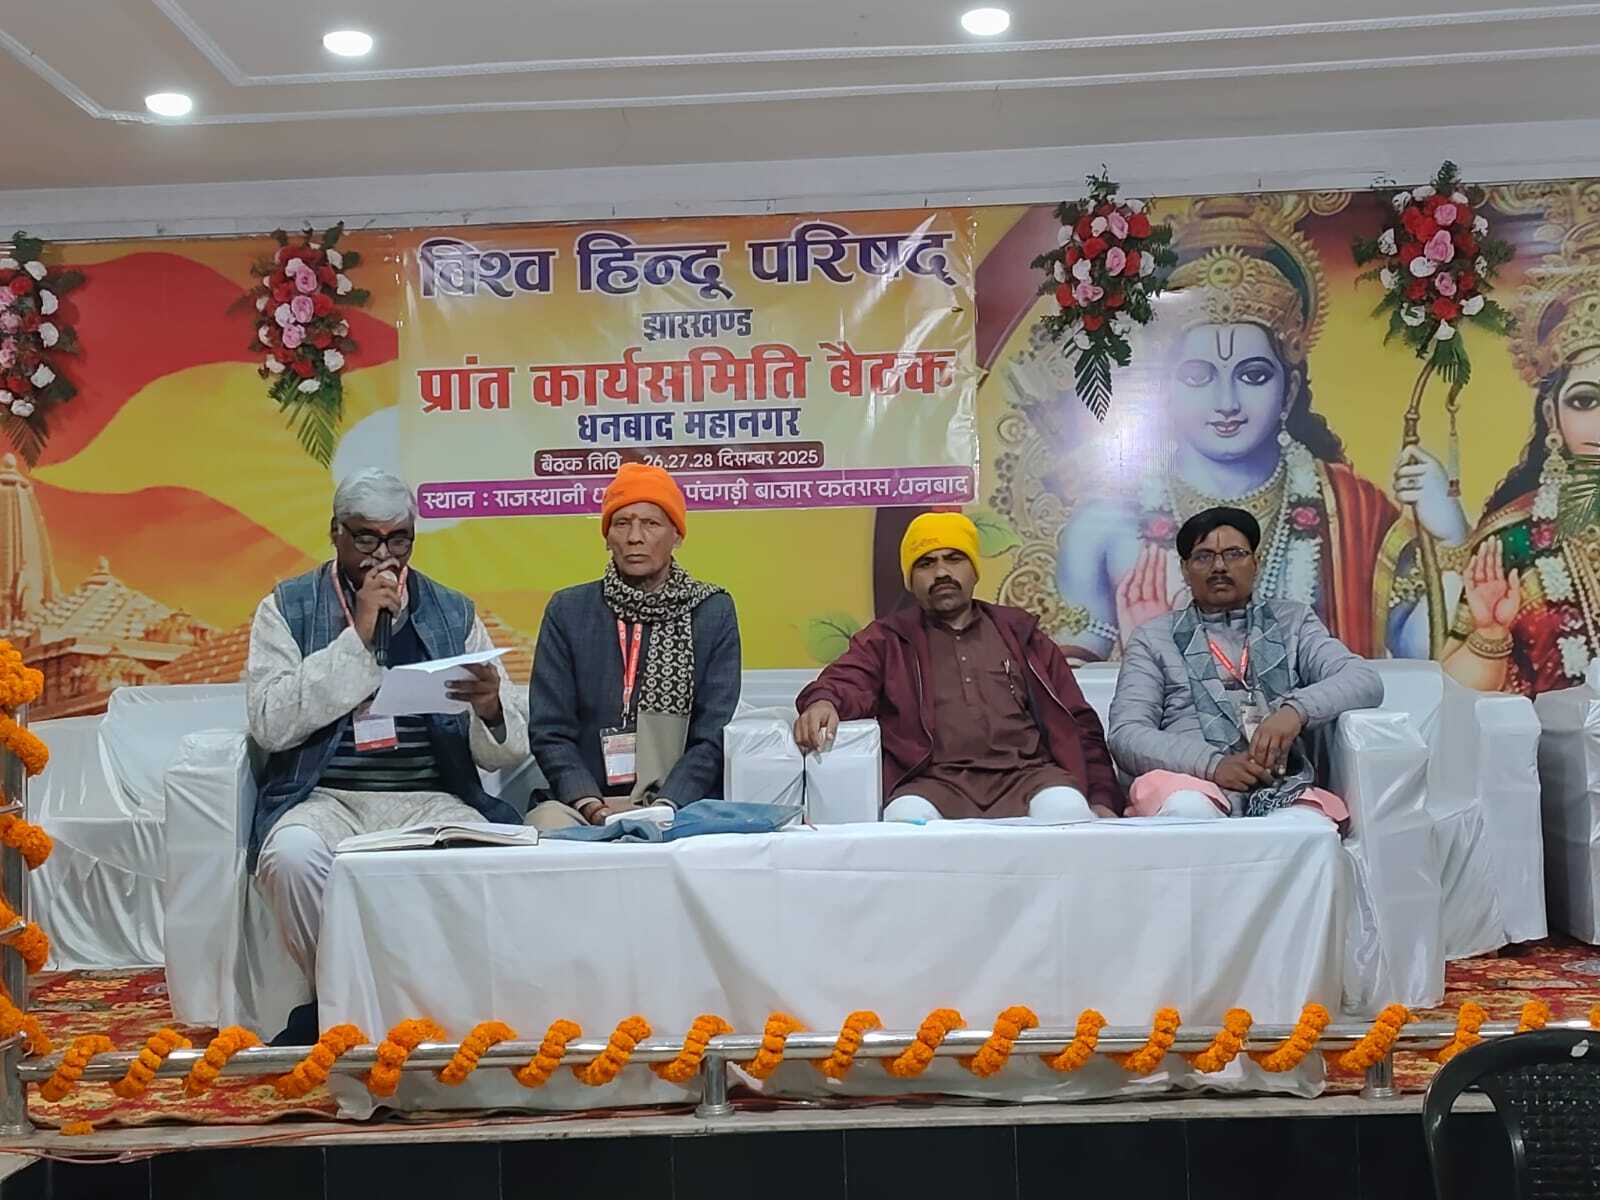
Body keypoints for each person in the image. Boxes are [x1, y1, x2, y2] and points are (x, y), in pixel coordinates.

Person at [1044, 197, 1468, 662]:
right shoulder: (1107, 526)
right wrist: (1150, 650)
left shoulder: (1350, 510)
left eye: (1253, 375)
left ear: (1289, 391)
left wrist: (1449, 537)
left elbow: (1421, 655)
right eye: (1198, 376)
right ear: (1165, 392)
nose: (1226, 402)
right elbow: (1067, 682)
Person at [246, 469, 527, 1043]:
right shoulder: (286, 608)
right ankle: (335, 1003)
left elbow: (505, 752)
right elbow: (271, 722)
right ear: (335, 533)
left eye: (399, 539)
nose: (384, 556)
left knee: (484, 860)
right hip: (326, 797)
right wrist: (360, 635)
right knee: (292, 859)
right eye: (367, 539)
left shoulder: (452, 611)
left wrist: (491, 706)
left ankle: (442, 1010)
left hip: (430, 796)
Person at [794, 512, 1123, 822]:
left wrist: (1102, 798)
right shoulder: (888, 639)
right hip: (932, 783)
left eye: (954, 558)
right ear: (910, 580)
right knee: (905, 819)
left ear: (974, 570)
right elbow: (849, 680)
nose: (941, 573)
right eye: (926, 563)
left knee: (1068, 811)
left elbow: (1078, 721)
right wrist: (824, 701)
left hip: (1029, 776)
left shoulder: (1020, 633)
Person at [1108, 506, 1383, 822]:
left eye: (1234, 554)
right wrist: (1213, 765)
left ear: (1256, 562)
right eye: (1203, 556)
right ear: (1184, 569)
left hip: (1279, 783)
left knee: (1306, 826)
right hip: (1187, 780)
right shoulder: (1154, 637)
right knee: (1189, 810)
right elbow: (1127, 732)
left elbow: (1363, 679)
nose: (1219, 566)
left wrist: (1294, 711)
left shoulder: (1293, 622)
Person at [526, 463, 740, 829]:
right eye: (622, 523)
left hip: (682, 804)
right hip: (586, 803)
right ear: (607, 537)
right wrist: (593, 806)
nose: (635, 537)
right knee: (546, 827)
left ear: (677, 535)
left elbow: (713, 735)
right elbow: (550, 731)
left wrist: (666, 805)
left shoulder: (710, 611)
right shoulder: (569, 611)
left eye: (651, 523)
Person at [1442, 221, 1600, 696]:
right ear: (1552, 415)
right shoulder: (1513, 540)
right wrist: (1489, 635)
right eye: (1586, 401)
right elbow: (1456, 692)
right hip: (1549, 742)